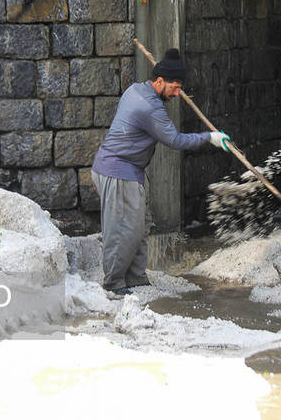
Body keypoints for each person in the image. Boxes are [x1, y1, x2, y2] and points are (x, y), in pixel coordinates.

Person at [91, 48, 230, 295]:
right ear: (158, 81)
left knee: (140, 227)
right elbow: (175, 140)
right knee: (123, 231)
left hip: (127, 171)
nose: (178, 93)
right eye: (174, 88)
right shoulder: (150, 108)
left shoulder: (135, 89)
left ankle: (135, 278)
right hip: (118, 172)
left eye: (179, 88)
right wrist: (210, 137)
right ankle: (113, 284)